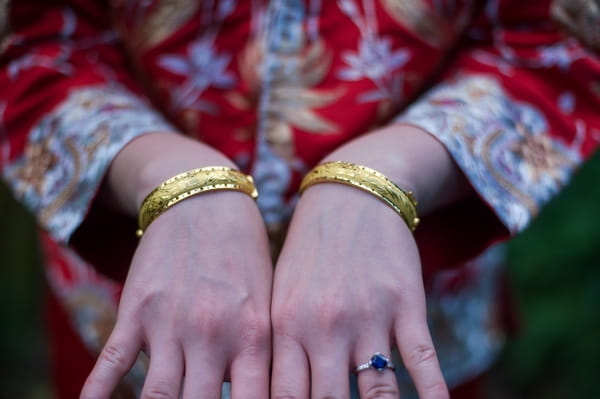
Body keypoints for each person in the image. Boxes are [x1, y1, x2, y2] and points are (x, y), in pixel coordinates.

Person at [1, 0, 599, 398]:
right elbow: (31, 36)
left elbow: (559, 32)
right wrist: (166, 175)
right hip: (134, 310)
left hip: (411, 317)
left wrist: (384, 173)